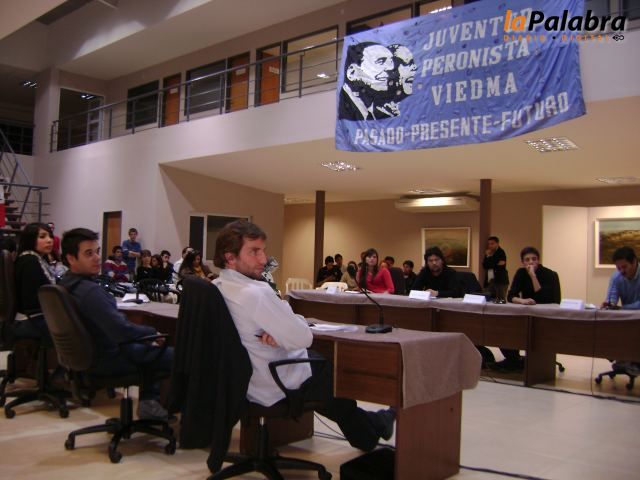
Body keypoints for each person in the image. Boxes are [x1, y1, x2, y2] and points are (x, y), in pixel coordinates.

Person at [212, 220, 394, 452]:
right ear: (230, 257)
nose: (264, 259)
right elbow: (304, 337)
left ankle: (374, 425)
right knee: (330, 373)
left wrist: (279, 331)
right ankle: (370, 432)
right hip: (272, 381)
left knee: (323, 385)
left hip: (245, 383)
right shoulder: (256, 293)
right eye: (254, 251)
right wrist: (288, 322)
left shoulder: (218, 286)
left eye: (263, 250)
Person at [59, 228, 173, 420]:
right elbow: (121, 330)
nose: (97, 258)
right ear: (71, 258)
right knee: (178, 355)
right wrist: (152, 332)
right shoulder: (90, 292)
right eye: (88, 253)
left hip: (88, 358)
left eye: (97, 251)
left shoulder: (65, 285)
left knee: (149, 346)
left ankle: (149, 402)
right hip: (109, 357)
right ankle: (154, 404)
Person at [496, 246, 561, 371]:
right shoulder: (521, 273)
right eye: (527, 260)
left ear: (538, 260)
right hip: (526, 314)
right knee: (504, 329)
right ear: (523, 262)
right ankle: (514, 360)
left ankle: (536, 363)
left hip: (545, 316)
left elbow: (543, 298)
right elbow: (510, 296)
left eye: (534, 259)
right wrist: (522, 301)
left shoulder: (549, 274)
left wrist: (533, 276)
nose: (531, 262)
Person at [13, 223, 56, 339]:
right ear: (30, 239)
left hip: (35, 317)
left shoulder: (36, 258)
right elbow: (32, 303)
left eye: (50, 236)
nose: (49, 240)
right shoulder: (30, 262)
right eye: (42, 237)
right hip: (29, 320)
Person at [338, 42, 395, 121]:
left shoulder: (383, 110)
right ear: (352, 72)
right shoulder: (346, 110)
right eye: (381, 61)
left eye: (391, 61)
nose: (391, 67)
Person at [482, 236, 509, 302]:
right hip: (489, 281)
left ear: (497, 244)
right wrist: (488, 257)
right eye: (489, 244)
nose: (490, 246)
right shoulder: (488, 253)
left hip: (500, 281)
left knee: (500, 301)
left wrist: (489, 259)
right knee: (488, 300)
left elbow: (498, 266)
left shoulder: (501, 252)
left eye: (492, 243)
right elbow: (485, 265)